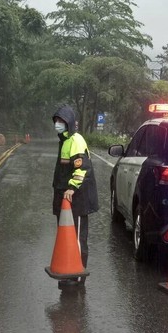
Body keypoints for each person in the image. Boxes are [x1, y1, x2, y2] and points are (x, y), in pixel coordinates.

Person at [52, 105, 98, 286]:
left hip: (77, 198)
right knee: (65, 236)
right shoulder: (64, 141)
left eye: (61, 121)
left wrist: (71, 188)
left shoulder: (76, 140)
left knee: (78, 238)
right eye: (56, 121)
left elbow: (82, 169)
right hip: (65, 199)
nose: (57, 124)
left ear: (69, 123)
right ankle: (68, 271)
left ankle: (77, 276)